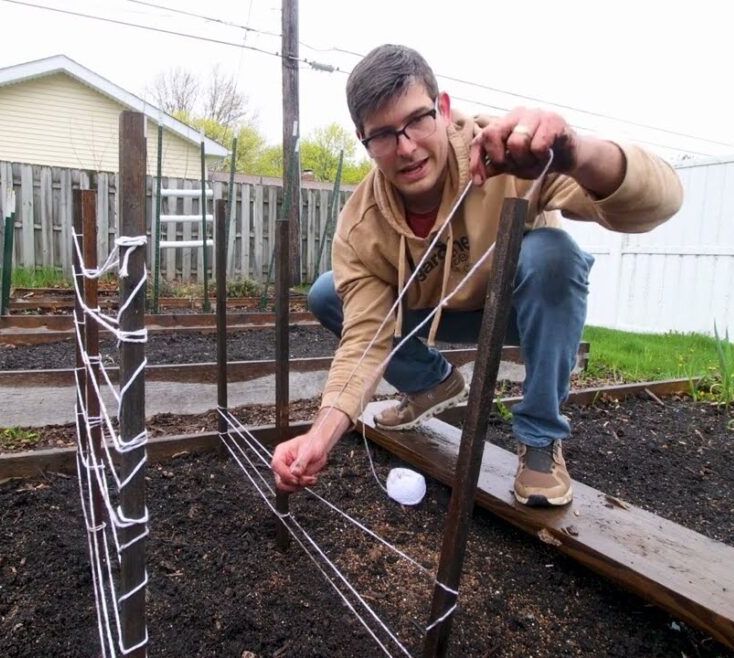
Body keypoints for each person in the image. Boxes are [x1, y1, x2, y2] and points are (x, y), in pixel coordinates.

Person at [270, 44, 683, 507]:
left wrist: (574, 154)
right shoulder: (362, 224)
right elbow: (364, 338)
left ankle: (541, 438)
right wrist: (319, 437)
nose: (406, 148)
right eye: (383, 135)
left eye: (417, 120)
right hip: (441, 312)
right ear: (362, 139)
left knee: (554, 254)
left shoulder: (508, 157)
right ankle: (431, 383)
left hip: (522, 307)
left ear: (443, 108)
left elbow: (659, 204)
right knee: (329, 293)